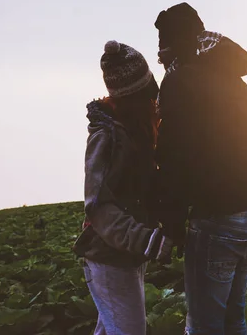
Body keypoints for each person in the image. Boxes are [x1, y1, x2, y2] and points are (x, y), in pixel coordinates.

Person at [154, 3, 247, 335]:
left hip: (218, 218)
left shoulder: (179, 83)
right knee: (234, 318)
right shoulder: (230, 76)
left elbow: (173, 159)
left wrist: (173, 224)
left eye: (164, 43)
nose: (160, 53)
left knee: (205, 326)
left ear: (174, 43)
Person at [73, 40, 173, 335]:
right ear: (136, 94)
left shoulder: (136, 129)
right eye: (149, 90)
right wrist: (147, 240)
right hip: (108, 257)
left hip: (124, 254)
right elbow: (99, 206)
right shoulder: (107, 136)